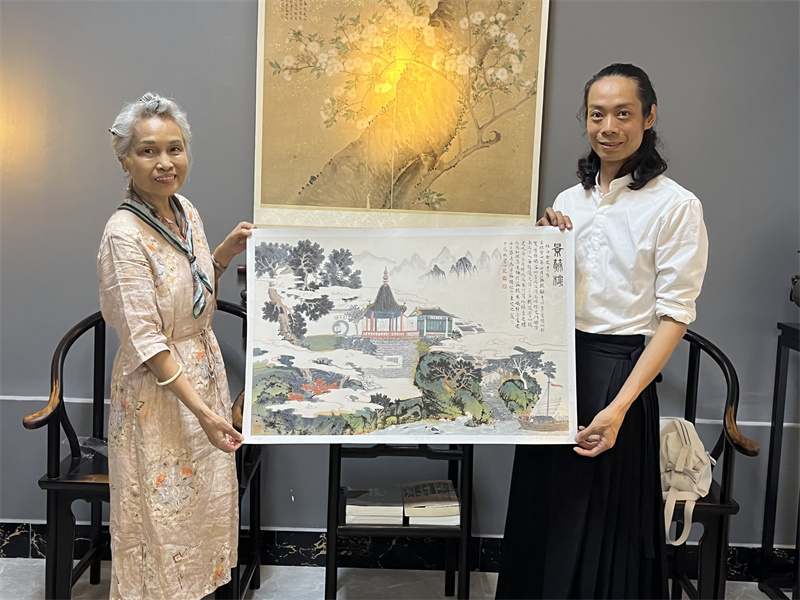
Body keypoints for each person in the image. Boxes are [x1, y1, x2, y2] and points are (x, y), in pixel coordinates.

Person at [495, 64, 708, 599]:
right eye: (597, 114)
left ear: (649, 117)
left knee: (603, 532)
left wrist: (618, 409)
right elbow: (541, 301)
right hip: (555, 370)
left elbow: (675, 318)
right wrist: (542, 247)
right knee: (542, 516)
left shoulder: (676, 205)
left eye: (623, 113)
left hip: (617, 375)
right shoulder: (570, 201)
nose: (608, 127)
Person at [98, 93, 254, 599]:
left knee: (203, 513)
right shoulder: (123, 234)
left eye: (175, 148)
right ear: (125, 159)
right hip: (159, 394)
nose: (165, 162)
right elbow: (146, 339)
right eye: (148, 151)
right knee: (162, 522)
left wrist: (223, 253)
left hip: (204, 373)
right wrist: (206, 415)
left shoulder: (185, 210)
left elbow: (193, 295)